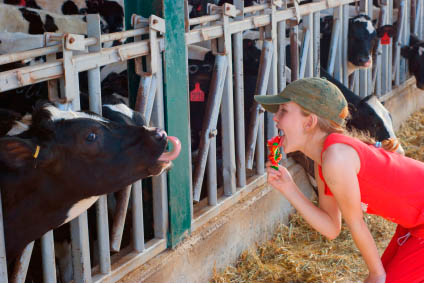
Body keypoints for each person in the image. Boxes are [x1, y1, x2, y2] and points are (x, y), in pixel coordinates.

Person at [254, 77, 424, 283]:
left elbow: (356, 222)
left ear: (309, 122)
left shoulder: (336, 159)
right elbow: (332, 228)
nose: (275, 118)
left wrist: (376, 275)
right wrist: (289, 188)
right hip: (413, 223)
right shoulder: (324, 159)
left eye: (284, 110)